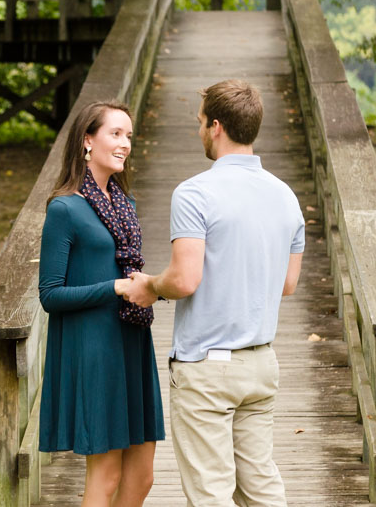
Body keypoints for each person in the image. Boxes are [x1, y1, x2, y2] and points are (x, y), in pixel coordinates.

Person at [119, 79, 305, 507]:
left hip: (207, 368)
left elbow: (184, 280)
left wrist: (149, 286)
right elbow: (288, 284)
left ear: (216, 126)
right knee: (262, 490)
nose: (198, 130)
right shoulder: (286, 196)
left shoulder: (195, 193)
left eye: (201, 122)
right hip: (261, 365)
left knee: (211, 495)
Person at [38, 100, 165, 507]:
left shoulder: (124, 207)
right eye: (115, 133)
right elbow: (49, 295)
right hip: (95, 350)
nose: (125, 143)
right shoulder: (65, 208)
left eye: (129, 135)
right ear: (86, 141)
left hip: (131, 342)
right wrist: (113, 288)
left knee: (142, 476)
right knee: (106, 476)